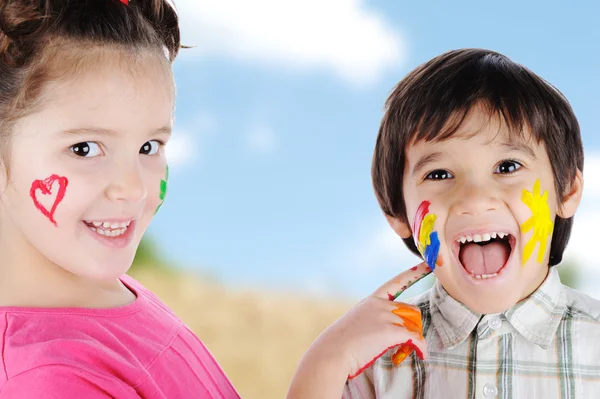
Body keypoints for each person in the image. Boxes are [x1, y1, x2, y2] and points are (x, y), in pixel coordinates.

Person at [287, 48, 600, 398]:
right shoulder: (375, 355)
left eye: (508, 167)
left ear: (567, 190)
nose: (474, 198)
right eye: (440, 173)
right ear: (398, 214)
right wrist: (328, 359)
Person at [0, 1, 239, 397]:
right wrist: (328, 364)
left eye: (149, 146)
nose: (133, 188)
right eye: (84, 149)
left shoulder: (110, 289)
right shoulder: (48, 382)